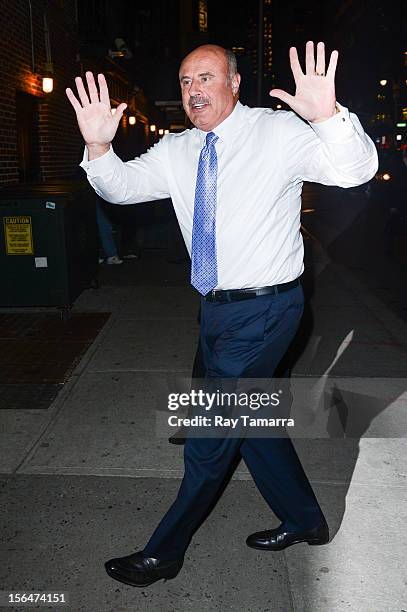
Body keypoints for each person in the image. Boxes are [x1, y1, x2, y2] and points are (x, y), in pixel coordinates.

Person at [66, 41, 378, 588]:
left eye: (206, 78)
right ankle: (305, 519)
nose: (194, 91)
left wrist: (328, 117)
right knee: (250, 422)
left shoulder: (276, 131)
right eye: (186, 81)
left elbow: (353, 172)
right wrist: (97, 148)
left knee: (211, 433)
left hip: (265, 309)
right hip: (216, 309)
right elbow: (122, 187)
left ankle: (164, 552)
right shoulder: (180, 149)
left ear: (234, 83)